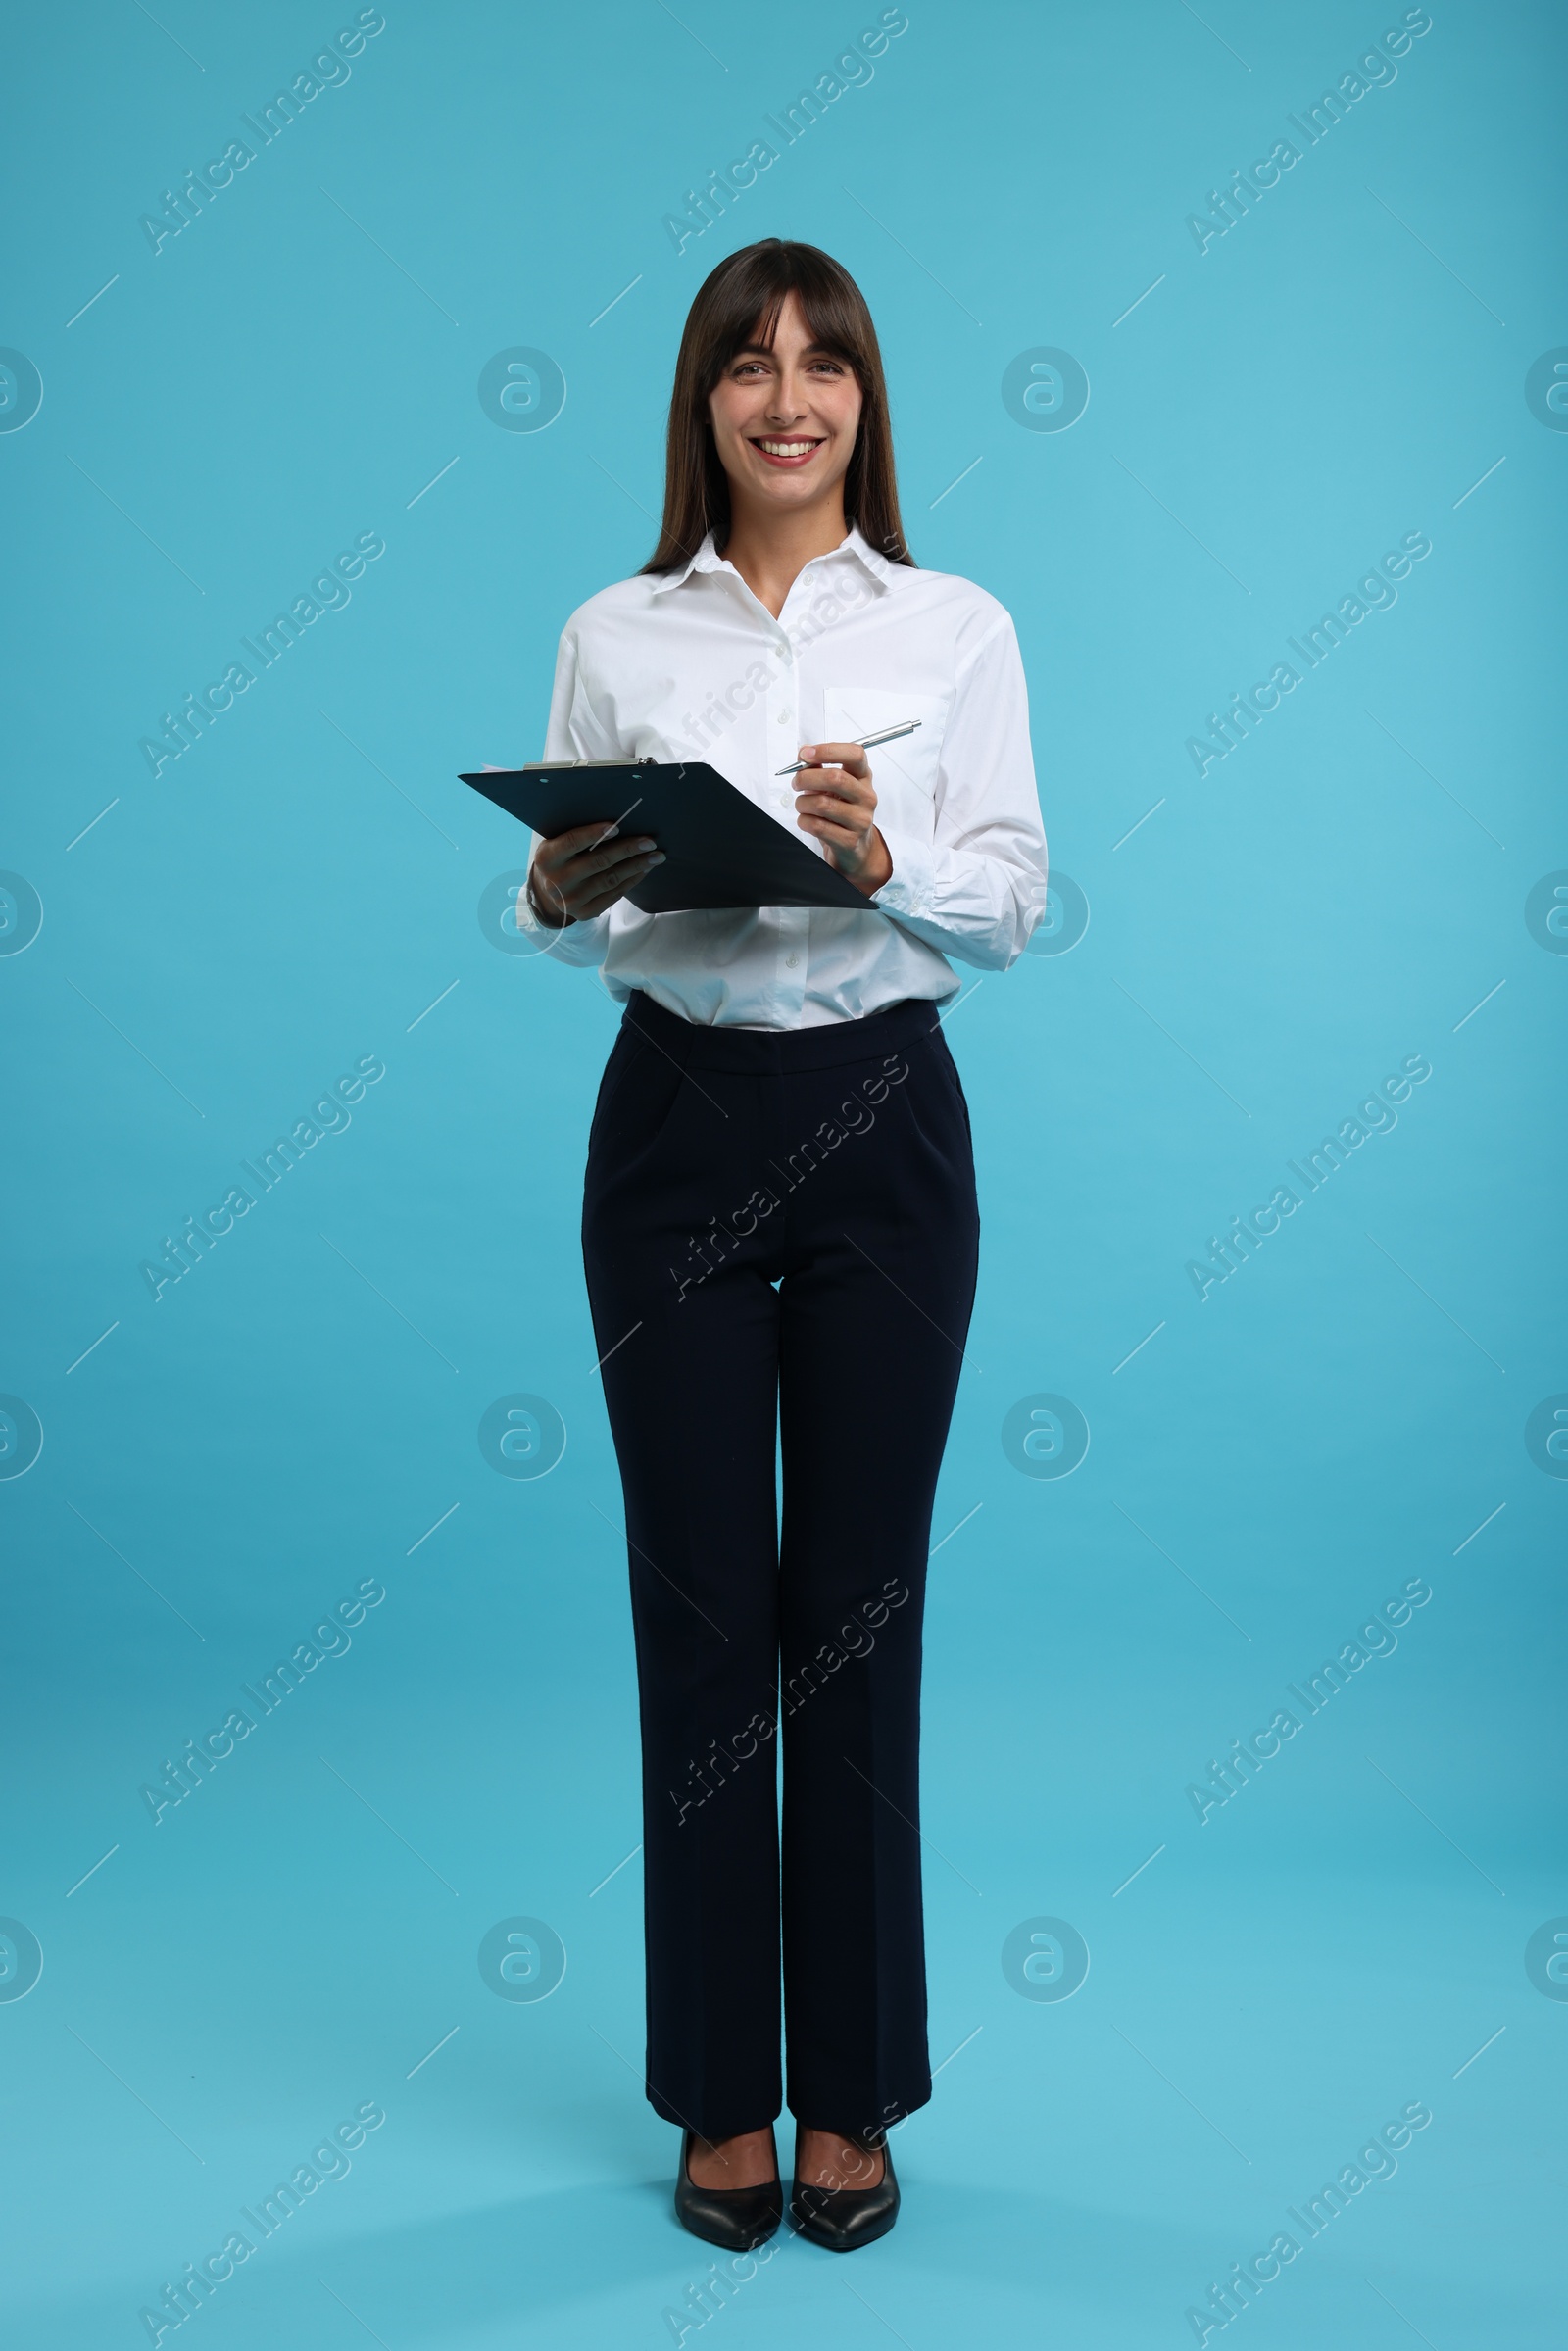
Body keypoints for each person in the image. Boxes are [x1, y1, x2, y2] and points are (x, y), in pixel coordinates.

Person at [517, 238, 1047, 2252]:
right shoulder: (612, 629)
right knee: (702, 1622)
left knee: (852, 1611)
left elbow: (1011, 898)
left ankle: (852, 2097)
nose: (784, 395)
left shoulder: (957, 628)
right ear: (701, 404)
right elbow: (573, 901)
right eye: (745, 363)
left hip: (879, 1122)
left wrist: (883, 858)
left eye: (820, 362)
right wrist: (563, 891)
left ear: (863, 401)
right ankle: (717, 2098)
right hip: (669, 1121)